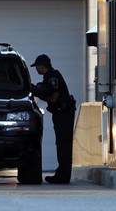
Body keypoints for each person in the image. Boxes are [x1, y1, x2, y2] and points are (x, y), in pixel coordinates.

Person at [31, 54, 76, 184]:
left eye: (37, 66)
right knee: (62, 144)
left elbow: (53, 98)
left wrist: (38, 94)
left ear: (42, 65)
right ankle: (62, 175)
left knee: (63, 144)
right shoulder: (49, 76)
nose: (36, 69)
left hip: (63, 114)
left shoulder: (52, 76)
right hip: (61, 114)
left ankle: (62, 176)